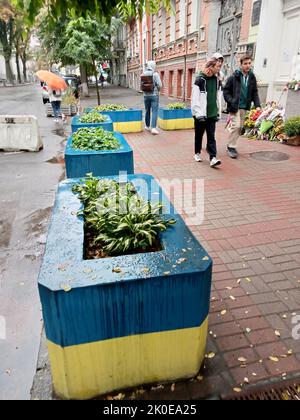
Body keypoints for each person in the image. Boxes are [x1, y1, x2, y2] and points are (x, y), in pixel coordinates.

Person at [223, 54, 261, 158]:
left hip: (245, 106)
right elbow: (226, 91)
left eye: (249, 63)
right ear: (241, 64)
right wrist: (231, 101)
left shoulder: (252, 77)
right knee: (237, 126)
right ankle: (231, 147)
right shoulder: (234, 77)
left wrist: (257, 105)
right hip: (235, 106)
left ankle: (231, 142)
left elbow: (254, 92)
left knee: (240, 128)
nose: (248, 66)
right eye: (245, 64)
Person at [191, 57, 222, 168]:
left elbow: (218, 96)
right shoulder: (200, 80)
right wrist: (198, 113)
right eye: (218, 66)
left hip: (212, 113)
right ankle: (197, 153)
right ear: (211, 67)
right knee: (199, 135)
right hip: (201, 114)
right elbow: (195, 98)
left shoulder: (217, 80)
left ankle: (213, 158)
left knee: (211, 136)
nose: (219, 68)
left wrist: (218, 112)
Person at [141, 61, 162, 135]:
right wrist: (157, 90)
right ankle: (153, 128)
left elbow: (141, 85)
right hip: (154, 95)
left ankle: (147, 126)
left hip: (145, 95)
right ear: (153, 66)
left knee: (147, 110)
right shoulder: (155, 74)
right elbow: (159, 85)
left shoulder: (143, 73)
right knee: (154, 111)